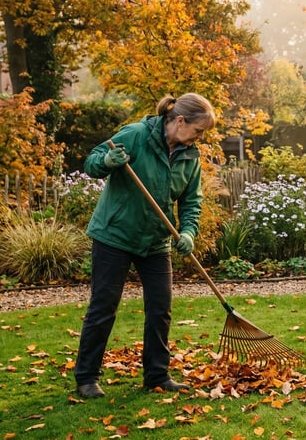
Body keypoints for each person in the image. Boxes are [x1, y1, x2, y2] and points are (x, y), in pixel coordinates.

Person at [74, 93, 216, 398]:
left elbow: (191, 201)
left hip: (155, 240)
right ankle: (86, 377)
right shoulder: (136, 135)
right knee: (103, 307)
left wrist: (189, 231)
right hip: (115, 234)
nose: (199, 137)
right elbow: (91, 163)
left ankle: (156, 375)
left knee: (160, 309)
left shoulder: (191, 157)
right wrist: (107, 161)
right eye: (198, 130)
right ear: (180, 121)